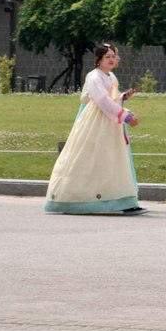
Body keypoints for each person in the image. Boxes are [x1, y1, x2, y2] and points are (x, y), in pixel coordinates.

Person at [45, 42, 142, 215]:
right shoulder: (94, 77)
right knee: (92, 158)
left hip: (109, 123)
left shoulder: (110, 76)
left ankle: (123, 199)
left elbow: (111, 99)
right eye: (107, 57)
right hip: (96, 123)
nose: (111, 59)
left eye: (113, 56)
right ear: (99, 59)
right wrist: (125, 116)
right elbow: (102, 101)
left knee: (113, 159)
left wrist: (122, 98)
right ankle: (76, 199)